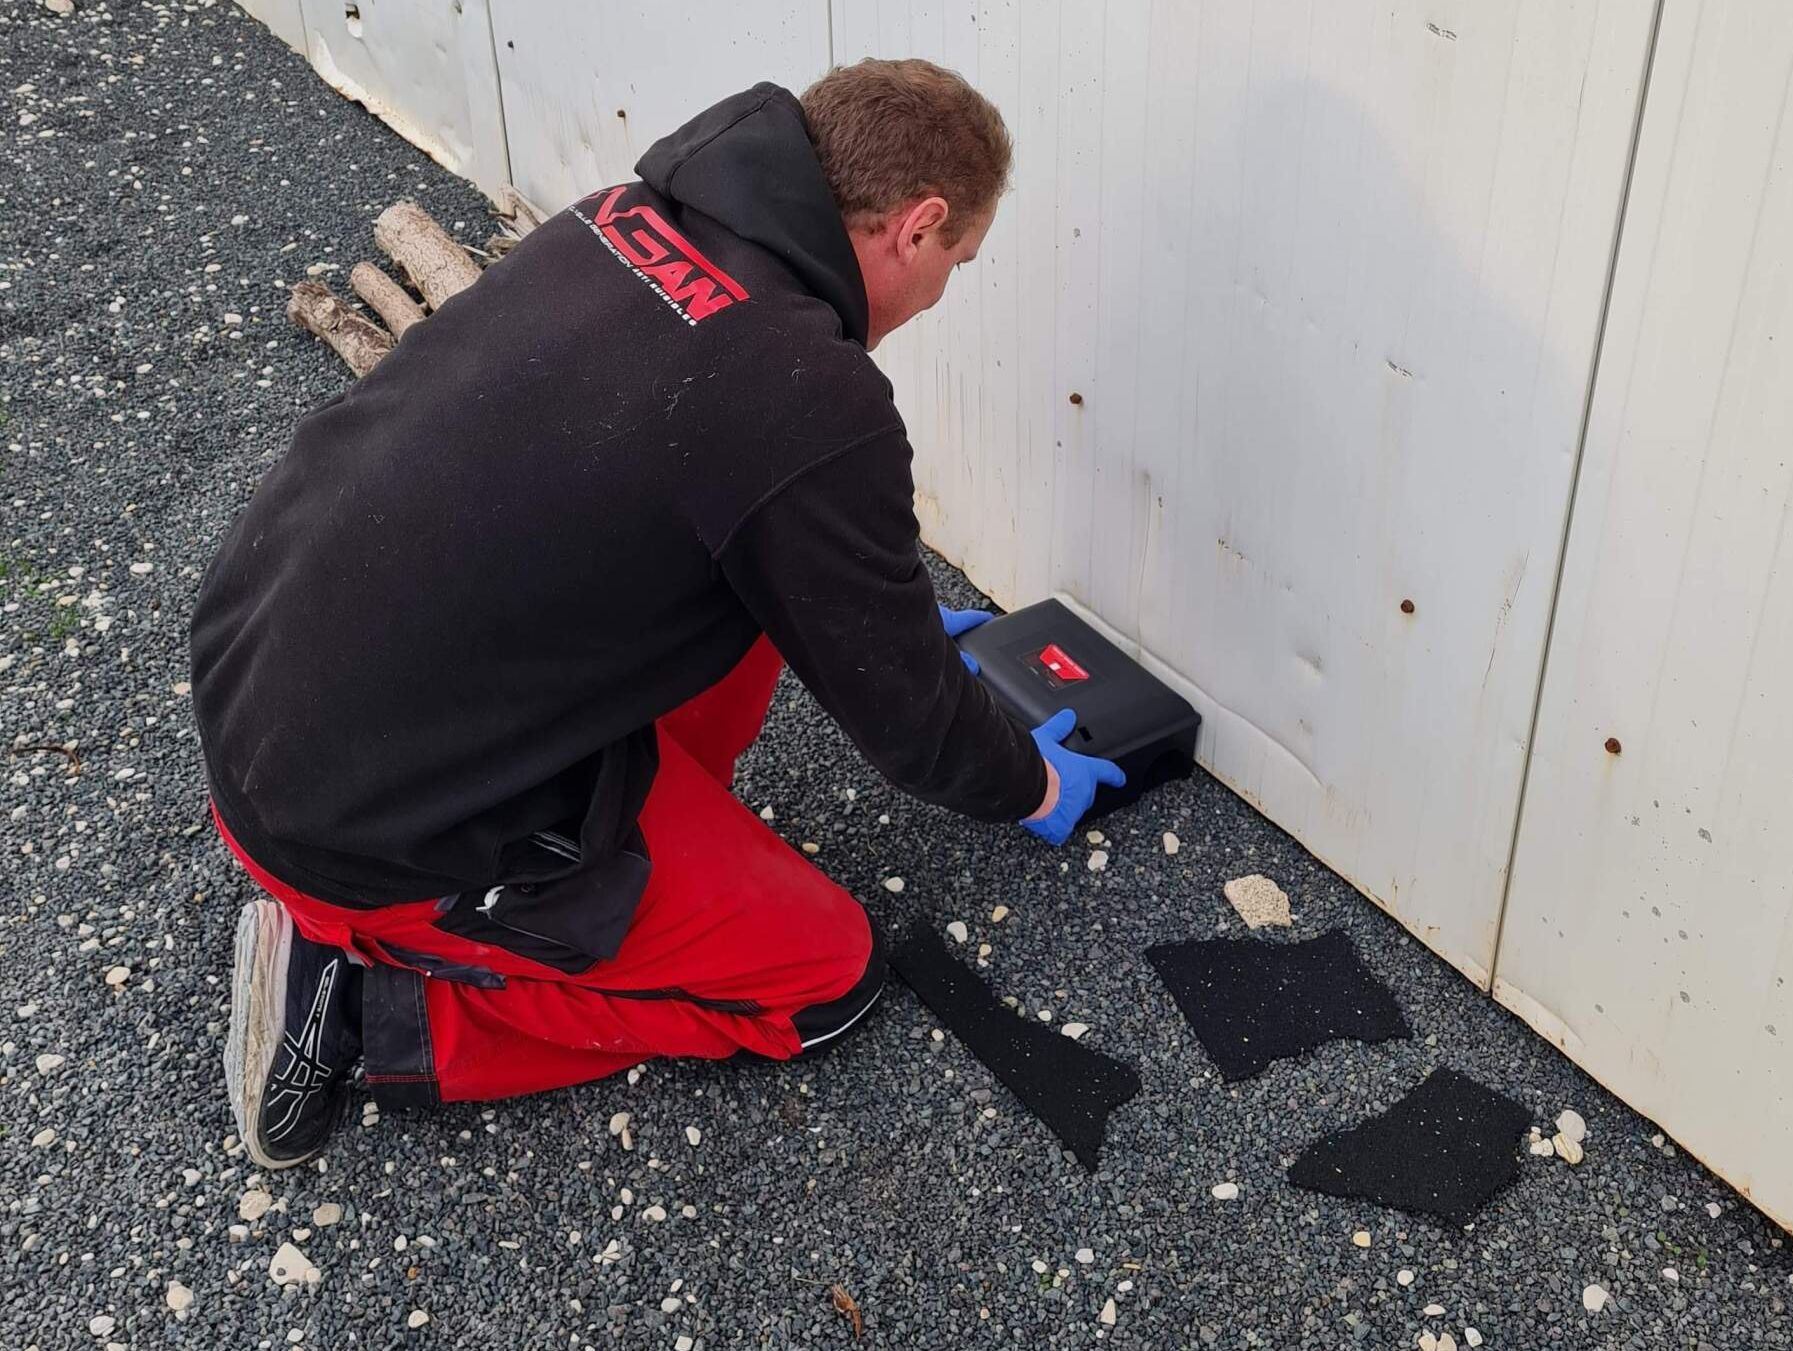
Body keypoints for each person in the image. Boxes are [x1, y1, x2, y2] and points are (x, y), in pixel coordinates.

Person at [189, 59, 1124, 1168]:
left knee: (753, 569)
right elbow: (919, 737)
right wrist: (1029, 778)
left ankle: (602, 872)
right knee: (823, 978)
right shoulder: (808, 397)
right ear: (917, 227)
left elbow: (746, 508)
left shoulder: (624, 221)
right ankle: (373, 1010)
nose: (944, 292)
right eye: (956, 262)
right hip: (364, 829)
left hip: (268, 679)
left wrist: (895, 626)